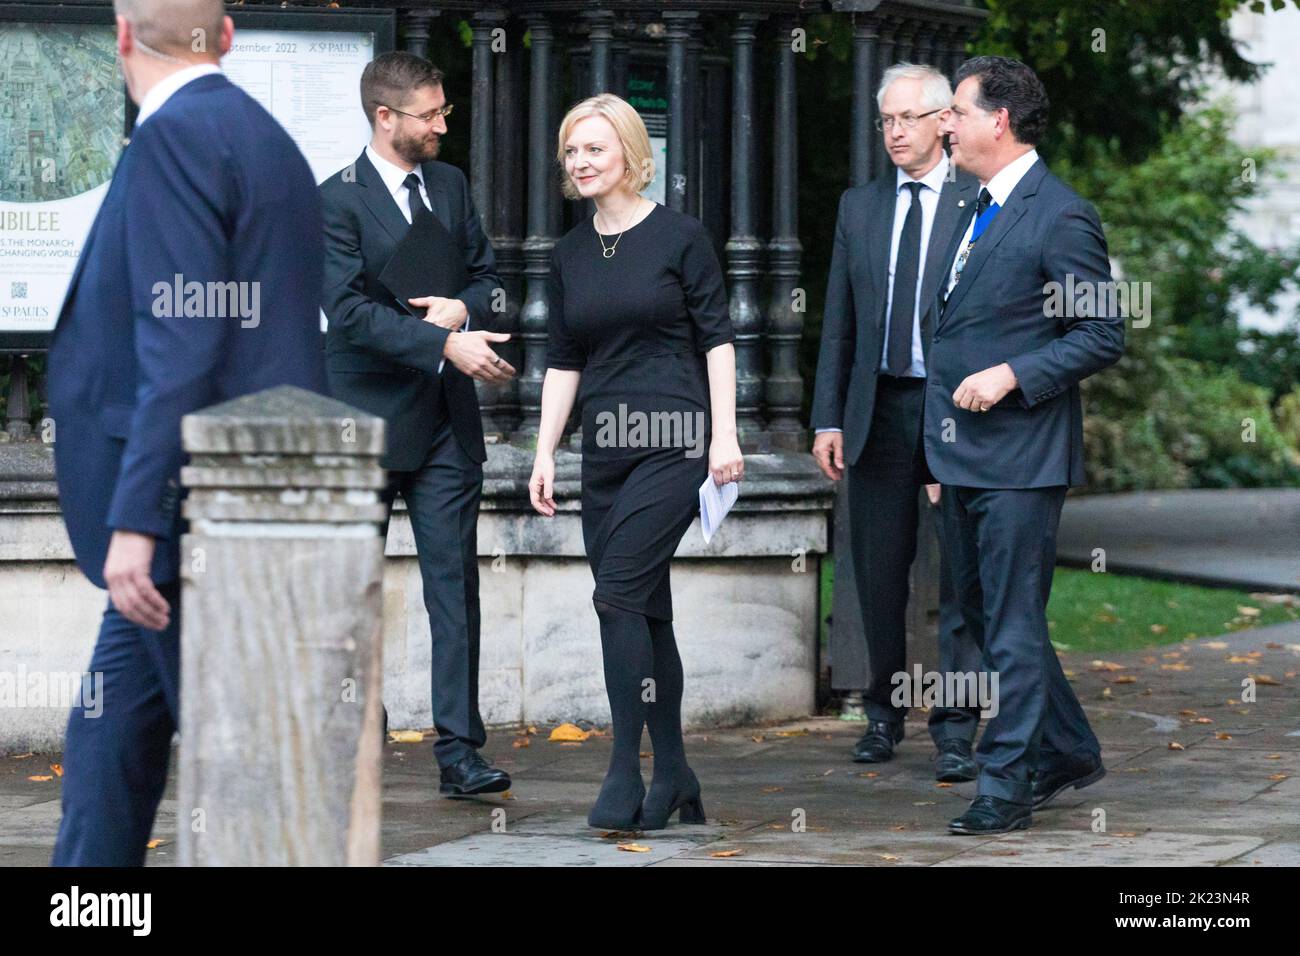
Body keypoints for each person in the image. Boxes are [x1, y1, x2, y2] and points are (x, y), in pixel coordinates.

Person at [47, 0, 327, 865]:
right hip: (239, 501)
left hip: (189, 516)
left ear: (122, 38)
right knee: (104, 746)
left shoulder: (172, 139)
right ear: (228, 36)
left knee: (247, 793)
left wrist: (136, 519)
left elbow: (184, 340)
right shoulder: (268, 138)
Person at [528, 94, 741, 831]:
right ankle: (676, 773)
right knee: (644, 608)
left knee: (615, 597)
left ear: (628, 153)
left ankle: (625, 771)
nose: (580, 163)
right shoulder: (569, 253)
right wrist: (547, 450)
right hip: (605, 453)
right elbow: (564, 359)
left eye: (593, 149)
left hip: (676, 440)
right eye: (571, 153)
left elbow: (717, 339)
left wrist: (725, 436)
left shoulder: (681, 237)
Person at [928, 56, 1123, 835]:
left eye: (956, 112)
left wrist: (1014, 371)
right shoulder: (968, 207)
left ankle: (1007, 783)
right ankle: (1069, 748)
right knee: (988, 614)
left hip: (1021, 458)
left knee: (1008, 625)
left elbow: (1102, 331)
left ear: (998, 121)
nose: (946, 124)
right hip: (960, 455)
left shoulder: (1061, 214)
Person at [320, 51, 515, 798]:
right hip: (362, 424)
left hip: (442, 423)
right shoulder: (332, 200)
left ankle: (461, 752)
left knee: (453, 589)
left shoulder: (451, 184)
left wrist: (464, 310)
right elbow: (349, 313)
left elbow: (488, 278)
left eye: (443, 113)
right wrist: (443, 344)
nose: (441, 124)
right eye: (430, 114)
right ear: (385, 117)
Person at [811, 63, 985, 781]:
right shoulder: (860, 206)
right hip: (877, 408)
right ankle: (883, 714)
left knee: (961, 575)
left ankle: (956, 727)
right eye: (886, 120)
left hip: (953, 414)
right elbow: (838, 326)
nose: (894, 132)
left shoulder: (979, 201)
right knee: (878, 573)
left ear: (946, 121)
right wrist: (827, 418)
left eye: (908, 118)